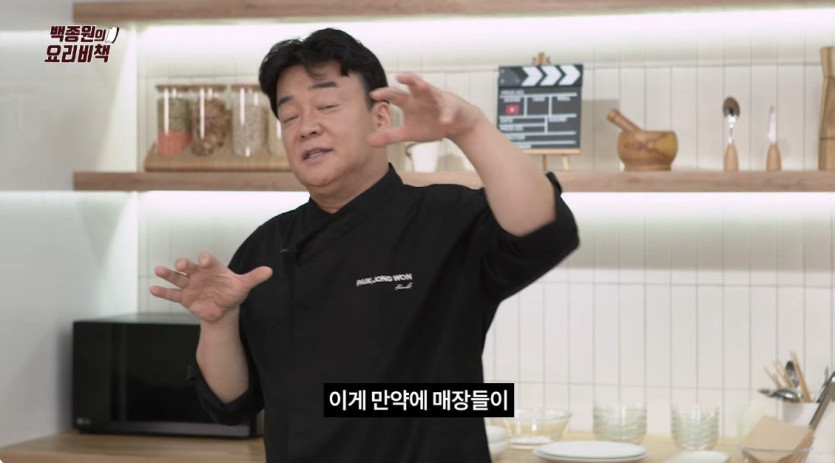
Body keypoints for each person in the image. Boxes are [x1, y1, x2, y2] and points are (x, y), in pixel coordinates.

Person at [150, 28, 579, 463]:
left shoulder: (446, 219)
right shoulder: (266, 247)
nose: (306, 127)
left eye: (327, 106)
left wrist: (470, 128)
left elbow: (544, 229)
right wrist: (219, 323)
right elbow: (230, 404)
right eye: (290, 116)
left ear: (381, 118)